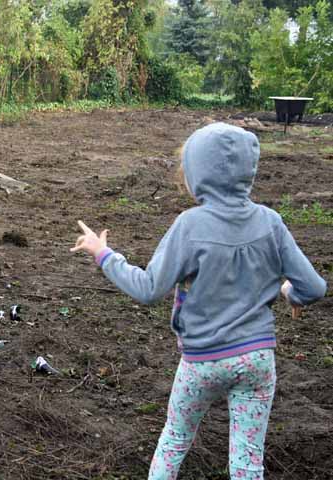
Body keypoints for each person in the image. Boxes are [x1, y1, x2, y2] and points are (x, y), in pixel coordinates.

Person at [70, 122, 327, 480]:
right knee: (248, 462)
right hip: (257, 361)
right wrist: (289, 292)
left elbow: (147, 289)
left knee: (175, 440)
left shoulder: (189, 226)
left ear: (198, 173)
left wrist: (104, 254)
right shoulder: (271, 222)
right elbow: (313, 287)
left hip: (202, 362)